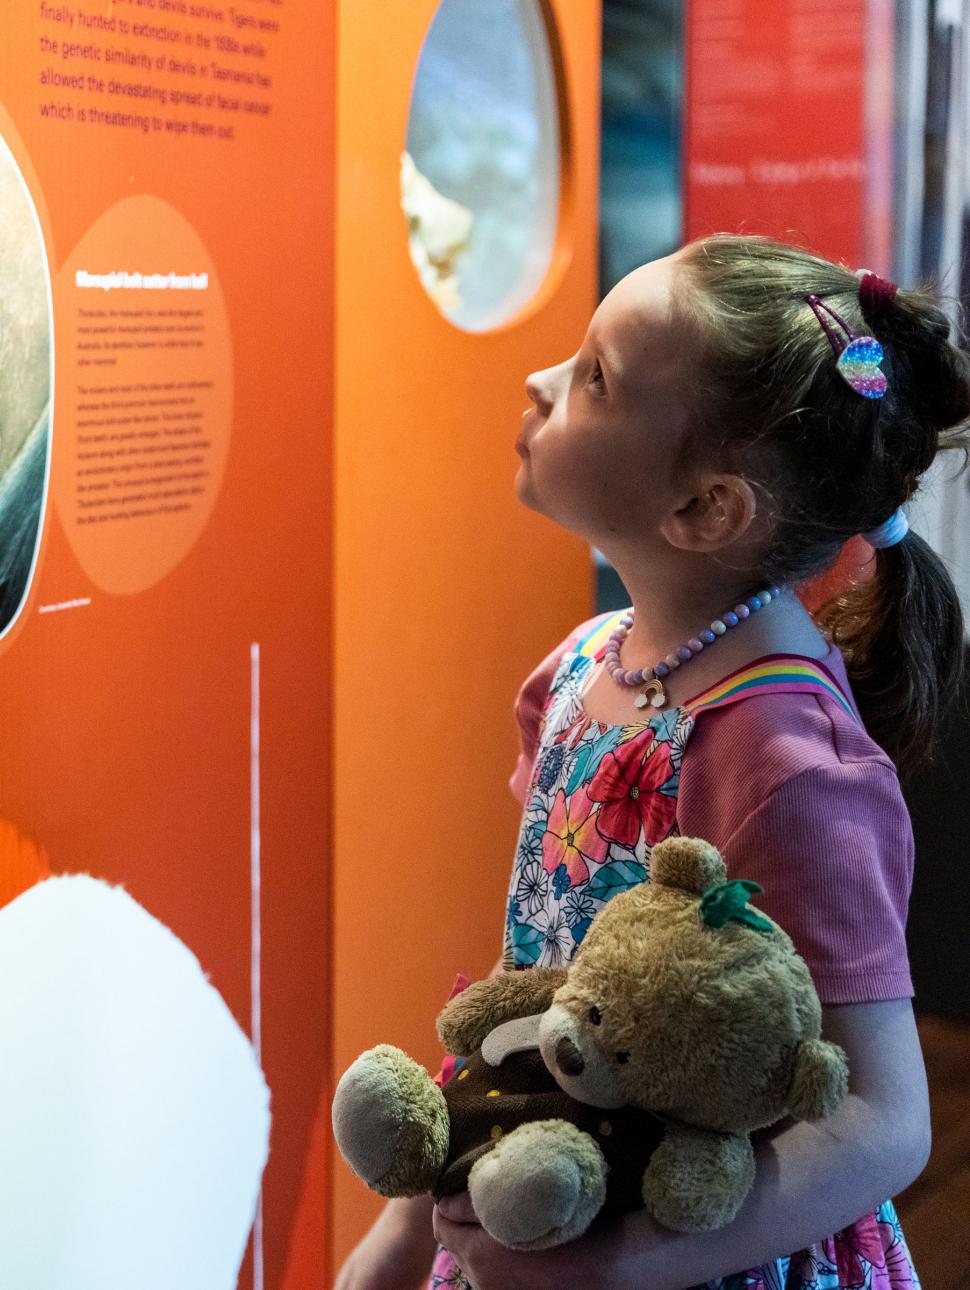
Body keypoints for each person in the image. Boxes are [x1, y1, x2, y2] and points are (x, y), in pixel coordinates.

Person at [336, 235, 970, 1290]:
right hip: (537, 1205)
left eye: (592, 377)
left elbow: (883, 1118)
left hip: (698, 1250)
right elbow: (531, 980)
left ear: (706, 509)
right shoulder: (582, 669)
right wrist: (407, 1231)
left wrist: (624, 1266)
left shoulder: (780, 755)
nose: (538, 383)